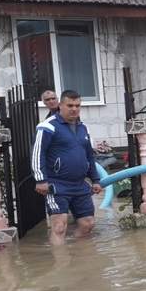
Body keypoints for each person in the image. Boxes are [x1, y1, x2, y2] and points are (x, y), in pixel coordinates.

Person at [33, 90, 102, 245]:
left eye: (77, 105)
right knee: (59, 226)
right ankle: (61, 265)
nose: (74, 109)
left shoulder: (83, 128)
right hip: (56, 184)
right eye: (70, 105)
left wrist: (95, 179)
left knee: (88, 224)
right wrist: (40, 180)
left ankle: (78, 257)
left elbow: (89, 156)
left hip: (79, 184)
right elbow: (38, 154)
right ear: (61, 105)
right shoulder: (47, 127)